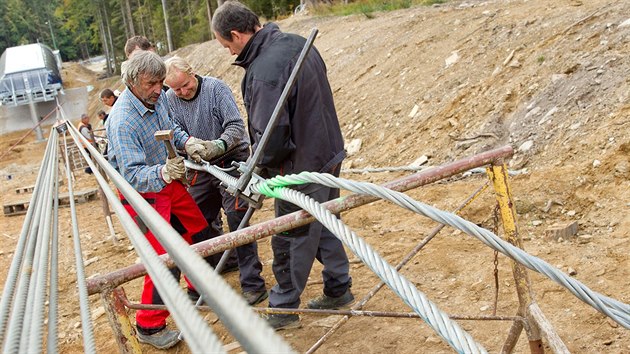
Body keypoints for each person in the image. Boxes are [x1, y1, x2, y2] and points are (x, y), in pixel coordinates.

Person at [212, 1, 354, 330]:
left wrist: (256, 172)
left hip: (298, 169)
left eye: (227, 46)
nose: (229, 53)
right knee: (325, 221)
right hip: (328, 154)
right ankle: (338, 286)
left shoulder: (263, 71)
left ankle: (283, 307)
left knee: (290, 236)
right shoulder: (297, 43)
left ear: (236, 34)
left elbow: (270, 137)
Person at [106, 50, 219, 349]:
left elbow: (171, 130)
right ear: (132, 81)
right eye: (151, 83)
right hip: (143, 196)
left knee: (197, 232)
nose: (159, 89)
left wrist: (188, 143)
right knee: (164, 259)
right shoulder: (123, 121)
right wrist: (165, 171)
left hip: (168, 184)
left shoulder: (158, 100)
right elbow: (131, 175)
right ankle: (149, 325)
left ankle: (197, 287)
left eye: (160, 82)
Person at [164, 56, 267, 305]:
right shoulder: (170, 100)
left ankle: (253, 283)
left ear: (193, 72)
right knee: (195, 218)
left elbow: (235, 126)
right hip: (200, 167)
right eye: (176, 89)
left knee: (237, 216)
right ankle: (208, 276)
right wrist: (190, 148)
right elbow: (175, 130)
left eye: (185, 85)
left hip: (230, 161)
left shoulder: (215, 88)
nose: (182, 92)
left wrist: (218, 144)